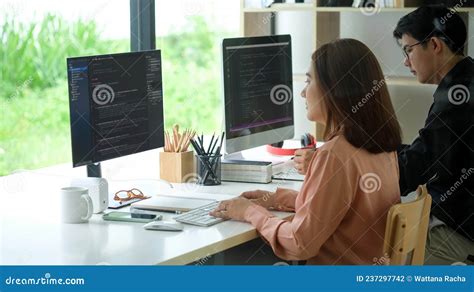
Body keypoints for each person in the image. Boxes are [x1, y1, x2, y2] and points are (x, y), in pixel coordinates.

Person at [210, 39, 403, 264]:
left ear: (334, 89)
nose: (302, 93)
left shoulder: (335, 155)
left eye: (309, 81)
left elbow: (299, 244)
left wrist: (249, 212)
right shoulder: (383, 146)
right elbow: (340, 206)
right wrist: (275, 199)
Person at [393, 6, 474, 265]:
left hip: (460, 231)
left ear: (435, 44)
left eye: (409, 50)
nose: (406, 62)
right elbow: (432, 148)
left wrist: (353, 164)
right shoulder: (464, 79)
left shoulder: (455, 100)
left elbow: (413, 170)